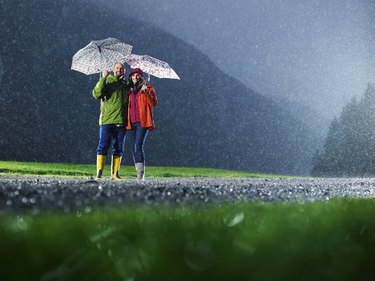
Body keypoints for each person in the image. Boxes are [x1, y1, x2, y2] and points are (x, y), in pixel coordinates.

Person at [92, 62, 129, 180]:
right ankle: (99, 173)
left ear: (124, 71)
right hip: (106, 120)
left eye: (121, 68)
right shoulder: (107, 81)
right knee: (103, 146)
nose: (119, 70)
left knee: (118, 148)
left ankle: (115, 174)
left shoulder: (125, 85)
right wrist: (103, 77)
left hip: (121, 121)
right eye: (117, 68)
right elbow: (97, 94)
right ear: (113, 69)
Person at [125, 68, 157, 180]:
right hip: (129, 123)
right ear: (130, 77)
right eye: (133, 75)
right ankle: (139, 171)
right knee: (134, 148)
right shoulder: (128, 89)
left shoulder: (147, 87)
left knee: (138, 145)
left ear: (141, 77)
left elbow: (153, 103)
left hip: (142, 122)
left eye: (137, 75)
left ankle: (140, 174)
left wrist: (147, 91)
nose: (135, 77)